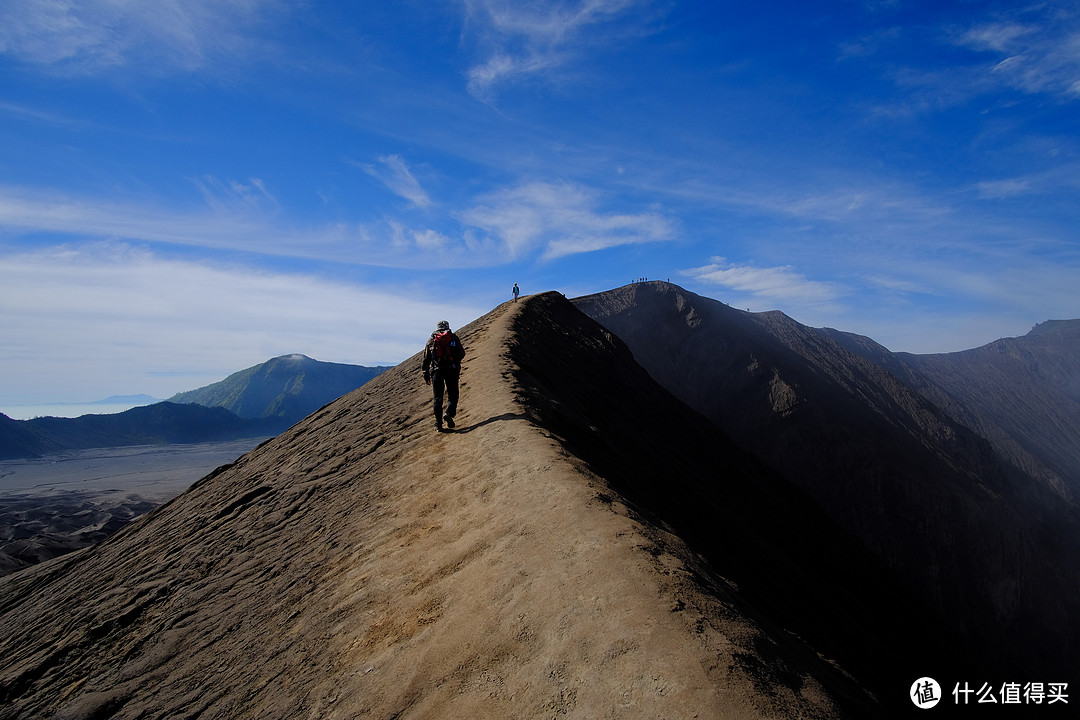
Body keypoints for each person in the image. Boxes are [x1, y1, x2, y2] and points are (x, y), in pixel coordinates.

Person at [422, 320, 466, 432]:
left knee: (438, 397)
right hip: (451, 370)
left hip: (437, 371)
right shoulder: (453, 337)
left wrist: (426, 374)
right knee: (453, 393)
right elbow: (462, 353)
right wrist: (454, 362)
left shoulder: (431, 340)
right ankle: (448, 413)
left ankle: (438, 424)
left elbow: (426, 358)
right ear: (448, 326)